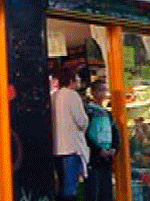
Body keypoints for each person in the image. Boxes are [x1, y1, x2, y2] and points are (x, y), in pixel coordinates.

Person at [52, 69, 89, 201]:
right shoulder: (72, 95)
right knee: (70, 187)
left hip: (57, 148)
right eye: (77, 78)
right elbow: (82, 121)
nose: (79, 81)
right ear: (71, 80)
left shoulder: (54, 97)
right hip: (72, 148)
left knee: (62, 184)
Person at [84, 80, 120, 201]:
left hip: (106, 159)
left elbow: (115, 132)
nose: (103, 94)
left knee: (106, 192)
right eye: (100, 90)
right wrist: (97, 150)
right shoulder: (88, 112)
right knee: (94, 192)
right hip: (94, 159)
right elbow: (85, 134)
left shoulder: (107, 114)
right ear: (93, 92)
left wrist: (114, 148)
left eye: (105, 90)